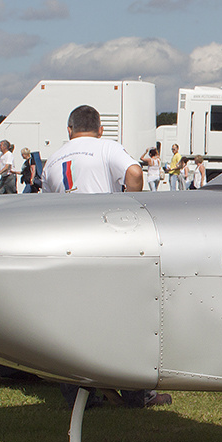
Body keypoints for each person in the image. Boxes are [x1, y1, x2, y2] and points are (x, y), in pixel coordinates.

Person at [41, 105, 169, 408]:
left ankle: (79, 395)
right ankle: (137, 392)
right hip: (104, 243)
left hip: (67, 246)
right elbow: (135, 172)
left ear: (69, 130)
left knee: (70, 322)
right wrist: (129, 206)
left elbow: (45, 204)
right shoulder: (105, 147)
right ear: (100, 129)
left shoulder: (53, 159)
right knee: (126, 318)